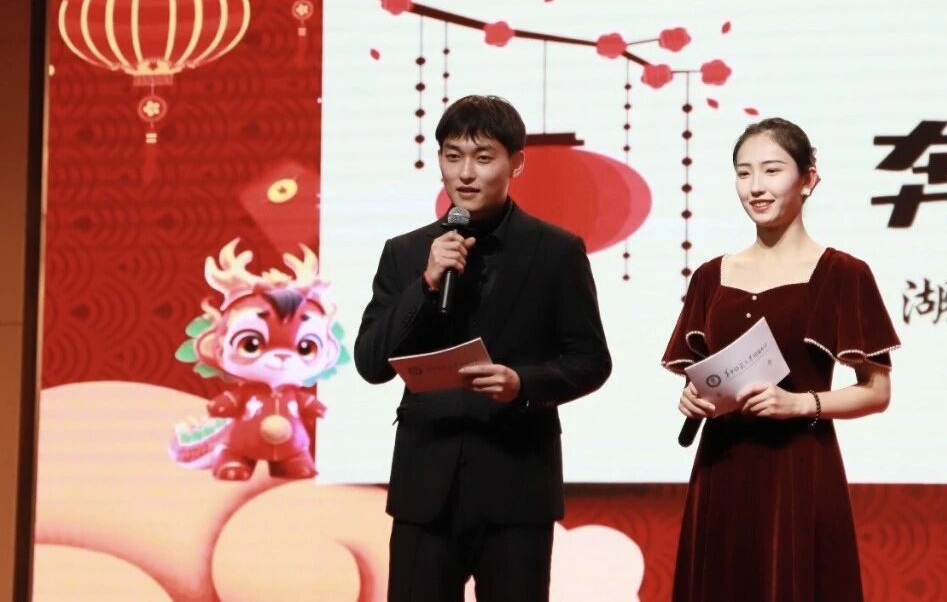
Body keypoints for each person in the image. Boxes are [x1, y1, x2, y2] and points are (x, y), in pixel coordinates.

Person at [354, 95, 612, 602]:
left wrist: (523, 383)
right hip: (425, 486)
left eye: (483, 157)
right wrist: (425, 285)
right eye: (453, 157)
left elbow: (591, 360)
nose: (466, 173)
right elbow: (370, 363)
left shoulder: (557, 251)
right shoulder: (406, 252)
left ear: (517, 163)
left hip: (517, 484)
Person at [662, 117, 900, 602]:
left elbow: (877, 391)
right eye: (743, 172)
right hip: (722, 468)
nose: (756, 186)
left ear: (808, 179)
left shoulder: (843, 273)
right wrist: (692, 396)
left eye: (772, 170)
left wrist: (800, 404)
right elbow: (701, 372)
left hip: (799, 469)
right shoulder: (710, 275)